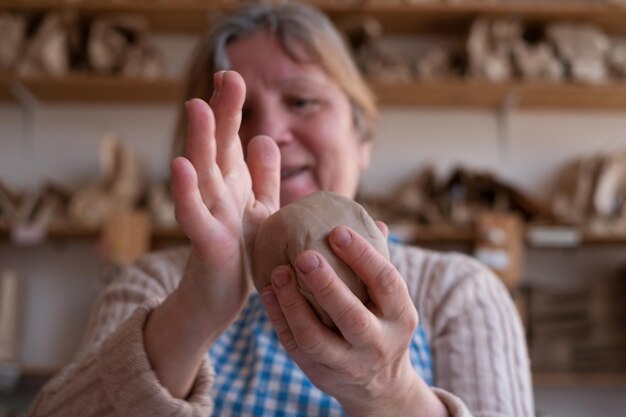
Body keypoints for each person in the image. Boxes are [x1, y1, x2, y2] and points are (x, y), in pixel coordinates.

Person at [28, 3, 533, 417]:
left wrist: (387, 389)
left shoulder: (456, 293)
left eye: (303, 101)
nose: (270, 134)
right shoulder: (152, 287)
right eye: (242, 114)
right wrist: (194, 313)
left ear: (363, 137)